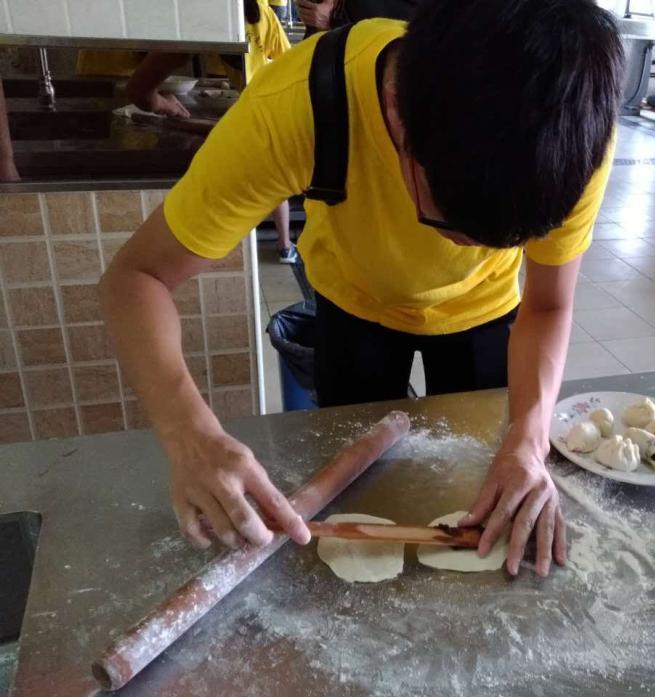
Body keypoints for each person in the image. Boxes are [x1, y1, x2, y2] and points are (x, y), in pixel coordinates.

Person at [100, 0, 623, 578]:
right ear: (397, 115)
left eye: (505, 241)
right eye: (450, 226)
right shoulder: (299, 104)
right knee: (354, 502)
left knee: (479, 486)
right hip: (353, 304)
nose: (470, 250)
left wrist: (529, 437)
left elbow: (547, 302)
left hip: (486, 313)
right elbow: (136, 278)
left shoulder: (570, 132)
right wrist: (189, 433)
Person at [126, 0, 299, 262]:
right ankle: (284, 246)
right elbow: (290, 63)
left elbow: (139, 89)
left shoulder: (203, 12)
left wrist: (160, 103)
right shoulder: (258, 10)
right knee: (273, 182)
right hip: (271, 108)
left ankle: (265, 245)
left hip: (264, 112)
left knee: (266, 180)